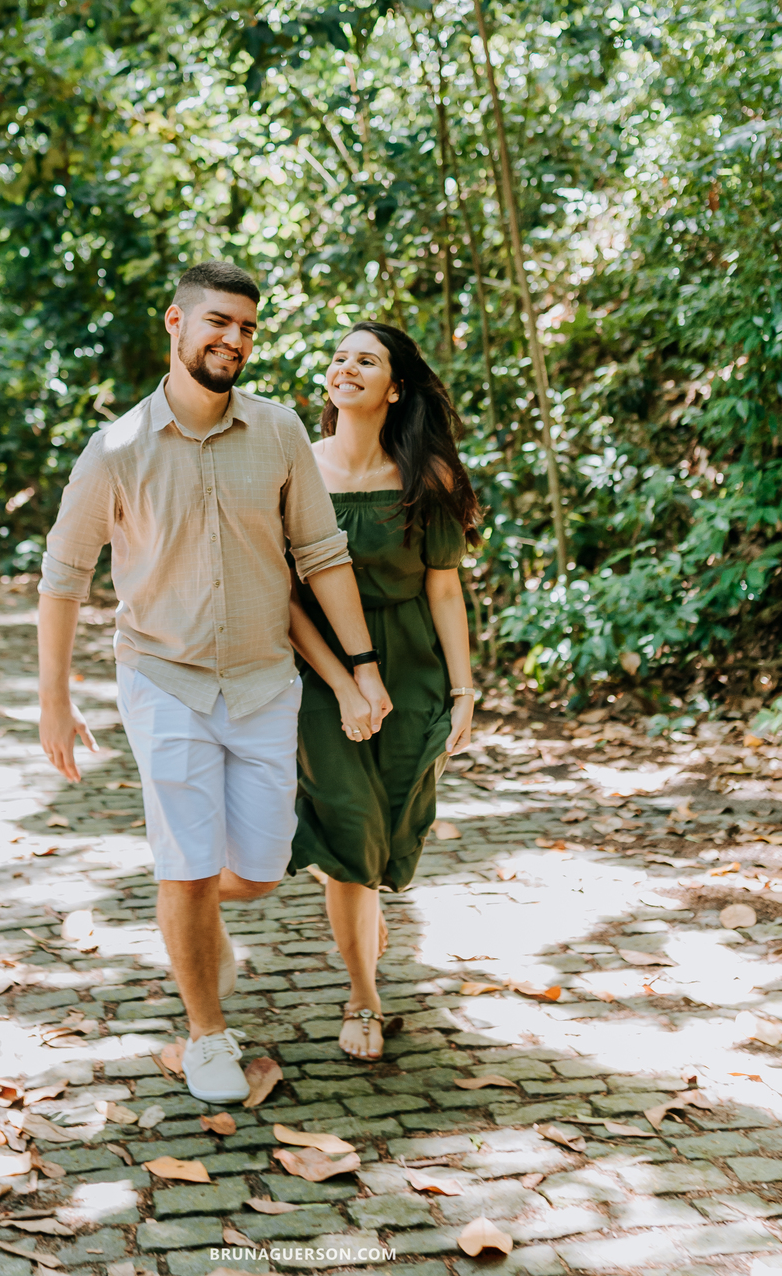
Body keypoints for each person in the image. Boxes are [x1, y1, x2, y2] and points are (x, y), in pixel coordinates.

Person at [36, 262, 390, 1105]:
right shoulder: (116, 450)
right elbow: (64, 573)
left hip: (266, 681)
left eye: (247, 328)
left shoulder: (277, 433)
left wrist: (362, 667)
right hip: (165, 679)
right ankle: (206, 1034)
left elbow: (322, 554)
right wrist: (54, 696)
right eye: (218, 322)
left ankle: (187, 910)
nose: (233, 339)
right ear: (176, 323)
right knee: (189, 866)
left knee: (262, 868)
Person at [288, 321, 480, 1062]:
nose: (346, 367)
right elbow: (286, 595)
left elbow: (444, 590)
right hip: (320, 672)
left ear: (395, 387)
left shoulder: (426, 476)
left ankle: (359, 902)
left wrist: (462, 691)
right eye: (337, 356)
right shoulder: (297, 469)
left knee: (392, 826)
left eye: (365, 359)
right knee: (350, 828)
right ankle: (363, 998)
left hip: (414, 670)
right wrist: (338, 682)